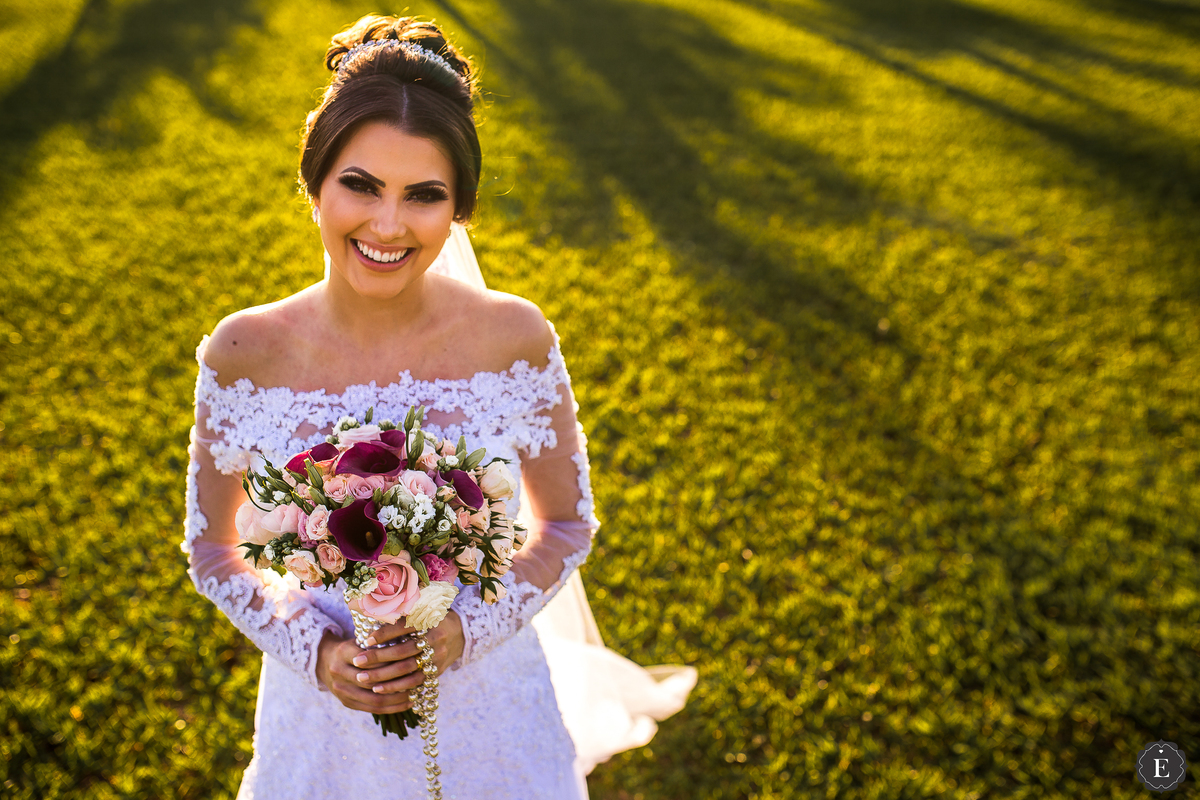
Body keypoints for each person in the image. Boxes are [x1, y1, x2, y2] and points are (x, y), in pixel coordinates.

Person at [181, 14, 693, 800]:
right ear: (314, 182)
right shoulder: (245, 354)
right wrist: (316, 654)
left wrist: (464, 632)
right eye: (360, 185)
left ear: (459, 210)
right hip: (323, 729)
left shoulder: (511, 338)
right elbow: (213, 550)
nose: (387, 225)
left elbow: (565, 523)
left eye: (424, 196)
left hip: (491, 711)